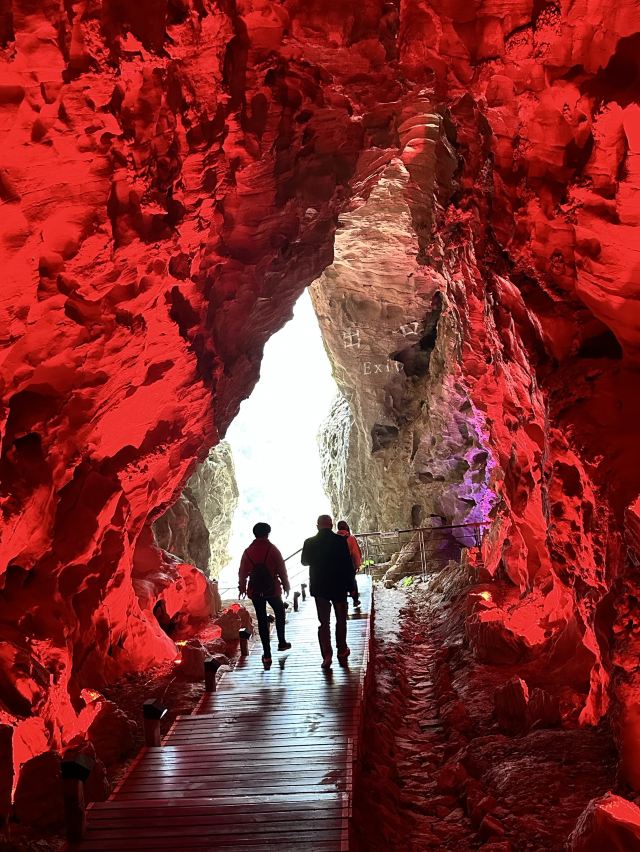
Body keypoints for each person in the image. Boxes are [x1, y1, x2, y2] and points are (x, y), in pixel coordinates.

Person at [301, 514, 356, 669]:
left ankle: (327, 655)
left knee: (324, 623)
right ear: (331, 525)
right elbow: (347, 565)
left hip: (320, 588)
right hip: (339, 586)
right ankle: (342, 649)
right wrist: (351, 587)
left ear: (317, 526)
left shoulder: (309, 542)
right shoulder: (340, 541)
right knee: (341, 620)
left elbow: (304, 561)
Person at [239, 522, 291, 664]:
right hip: (272, 589)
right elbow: (281, 569)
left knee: (261, 619)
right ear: (267, 533)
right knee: (279, 612)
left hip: (255, 590)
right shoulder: (272, 549)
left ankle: (267, 654)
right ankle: (282, 641)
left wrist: (242, 588)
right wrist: (286, 585)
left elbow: (242, 572)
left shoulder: (248, 552)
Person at [337, 520, 362, 608]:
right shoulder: (350, 538)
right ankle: (355, 600)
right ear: (346, 527)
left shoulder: (334, 538)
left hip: (338, 565)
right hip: (350, 564)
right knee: (352, 581)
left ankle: (343, 603)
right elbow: (355, 553)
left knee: (341, 583)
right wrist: (357, 565)